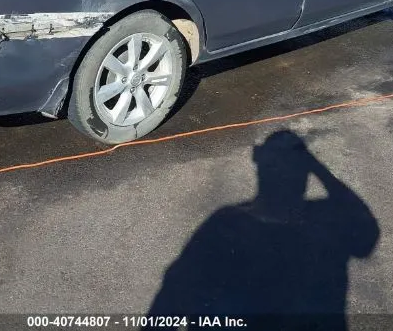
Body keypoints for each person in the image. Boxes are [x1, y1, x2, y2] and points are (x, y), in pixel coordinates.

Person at [148, 129, 380, 329]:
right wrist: (316, 166)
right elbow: (364, 226)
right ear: (304, 175)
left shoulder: (224, 223)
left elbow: (173, 290)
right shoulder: (324, 223)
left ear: (260, 167)